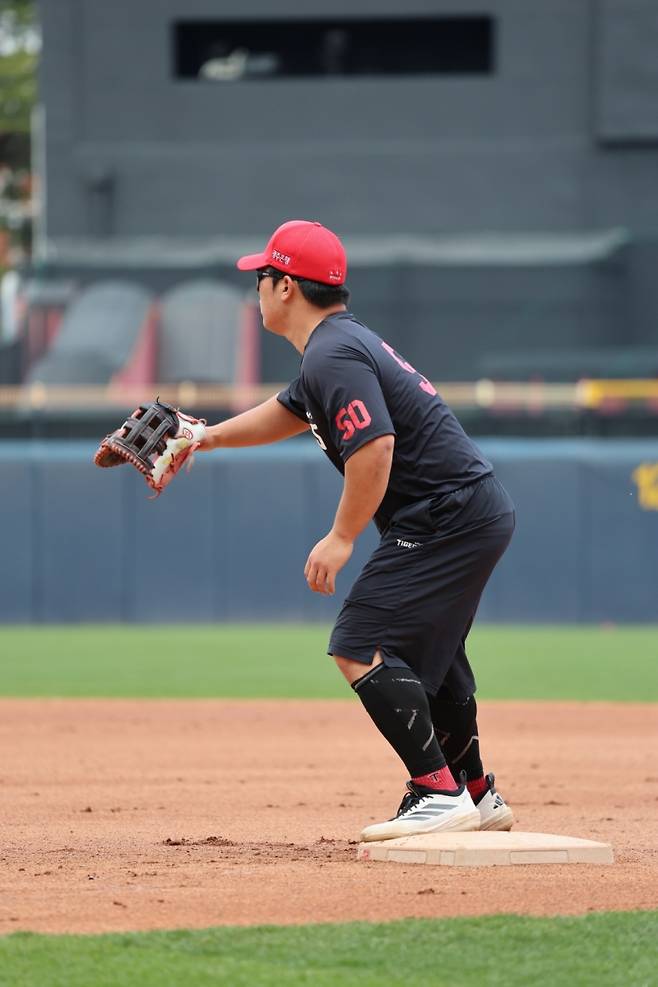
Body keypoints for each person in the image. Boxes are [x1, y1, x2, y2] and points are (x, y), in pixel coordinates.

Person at [199, 220, 515, 842]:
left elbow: (375, 445)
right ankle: (476, 793)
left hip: (446, 512)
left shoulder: (332, 353)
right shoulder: (337, 345)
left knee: (360, 641)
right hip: (470, 509)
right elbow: (288, 412)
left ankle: (436, 790)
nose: (256, 288)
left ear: (285, 286)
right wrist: (203, 437)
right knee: (438, 658)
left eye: (262, 277)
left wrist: (341, 536)